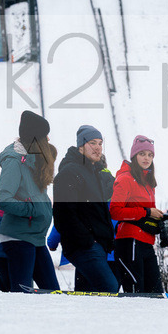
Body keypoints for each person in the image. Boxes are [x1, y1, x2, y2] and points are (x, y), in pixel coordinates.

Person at [0, 110, 59, 293]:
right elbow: (4, 199)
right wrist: (32, 209)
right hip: (18, 237)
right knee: (22, 293)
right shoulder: (14, 161)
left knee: (53, 292)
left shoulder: (34, 161)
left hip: (36, 237)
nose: (47, 140)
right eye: (44, 136)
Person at [52, 125, 118, 292]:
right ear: (80, 146)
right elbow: (63, 215)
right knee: (109, 287)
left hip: (98, 245)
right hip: (85, 246)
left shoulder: (93, 173)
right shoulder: (70, 172)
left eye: (100, 143)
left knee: (87, 295)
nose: (98, 148)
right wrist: (87, 241)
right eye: (92, 143)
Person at [110, 135, 168, 294]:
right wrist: (146, 212)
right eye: (142, 154)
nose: (146, 158)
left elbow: (146, 214)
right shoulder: (125, 179)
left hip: (146, 242)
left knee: (155, 292)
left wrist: (159, 220)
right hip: (129, 241)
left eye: (150, 155)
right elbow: (115, 211)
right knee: (136, 293)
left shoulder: (149, 182)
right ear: (134, 156)